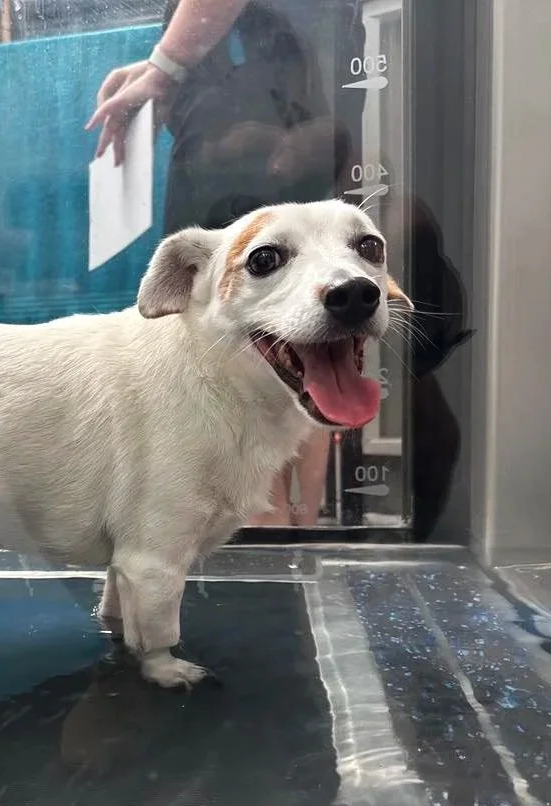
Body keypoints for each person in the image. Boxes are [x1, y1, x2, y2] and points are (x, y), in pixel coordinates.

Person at [87, 0, 365, 527]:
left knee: (250, 335)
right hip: (286, 107)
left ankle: (267, 528)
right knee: (312, 328)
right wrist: (160, 69)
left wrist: (165, 70)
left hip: (244, 141)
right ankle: (296, 524)